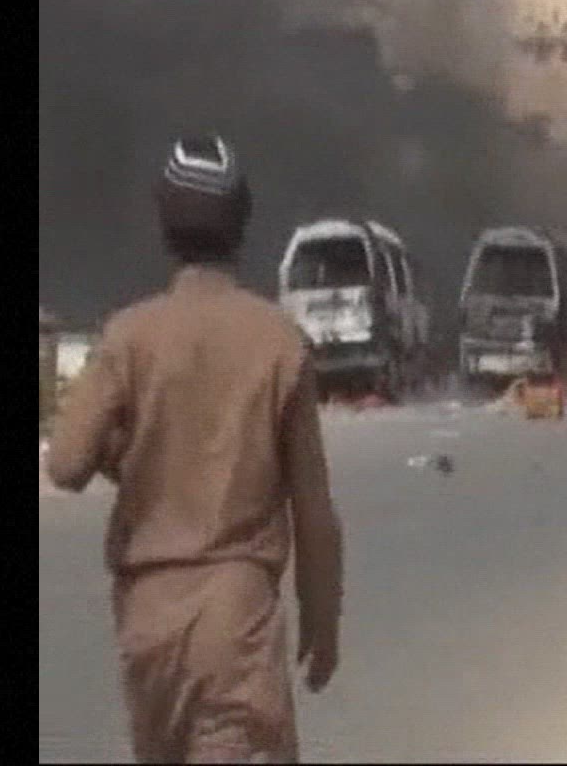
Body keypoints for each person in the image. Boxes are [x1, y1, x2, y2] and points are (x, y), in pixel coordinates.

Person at [46, 135, 344, 763]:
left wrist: (132, 456)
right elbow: (313, 510)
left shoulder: (128, 337)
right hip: (237, 624)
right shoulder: (279, 342)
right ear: (241, 223)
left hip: (148, 627)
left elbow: (66, 462)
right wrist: (323, 622)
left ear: (164, 222)